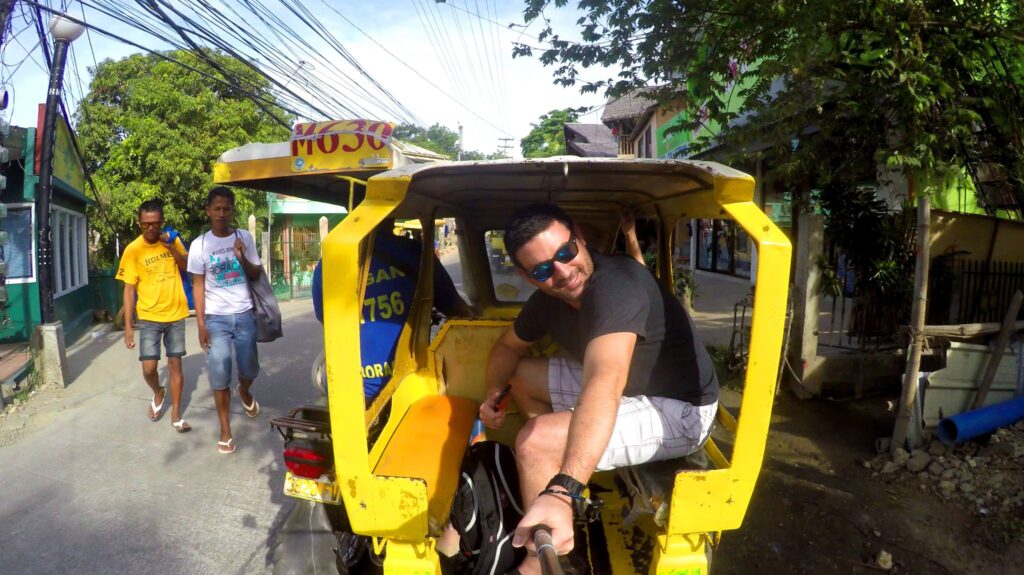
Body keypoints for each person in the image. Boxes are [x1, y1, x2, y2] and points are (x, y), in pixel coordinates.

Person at [477, 204, 719, 574]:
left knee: (537, 439)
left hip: (681, 409)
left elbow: (604, 380)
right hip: (630, 392)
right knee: (521, 376)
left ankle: (540, 558)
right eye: (543, 269)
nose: (561, 272)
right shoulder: (546, 302)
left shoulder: (617, 285)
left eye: (565, 253)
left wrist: (563, 487)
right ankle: (556, 475)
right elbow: (508, 347)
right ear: (529, 278)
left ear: (580, 238)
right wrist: (493, 391)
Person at [311, 219, 470, 403]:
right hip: (406, 384)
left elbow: (327, 323)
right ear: (393, 215)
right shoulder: (416, 253)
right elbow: (458, 312)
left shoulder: (328, 263)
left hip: (344, 388)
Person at [187, 187, 263, 454]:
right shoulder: (200, 245)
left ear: (232, 211)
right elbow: (197, 285)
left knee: (249, 368)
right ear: (208, 211)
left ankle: (244, 390)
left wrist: (241, 257)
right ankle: (225, 430)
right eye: (216, 209)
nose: (221, 214)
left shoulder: (244, 238)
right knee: (220, 372)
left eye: (226, 209)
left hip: (244, 314)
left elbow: (255, 274)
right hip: (216, 319)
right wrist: (200, 324)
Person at [116, 199, 191, 432]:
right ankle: (158, 391)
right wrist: (128, 326)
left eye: (155, 224)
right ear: (139, 223)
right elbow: (129, 289)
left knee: (175, 365)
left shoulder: (172, 239)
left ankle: (176, 416)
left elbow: (187, 266)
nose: (151, 228)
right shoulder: (133, 250)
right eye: (146, 224)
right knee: (148, 369)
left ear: (162, 223)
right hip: (148, 317)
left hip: (176, 314)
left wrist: (171, 248)